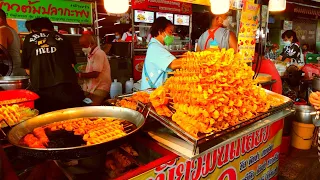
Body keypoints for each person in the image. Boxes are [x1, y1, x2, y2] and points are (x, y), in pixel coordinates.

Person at [21, 18, 84, 114]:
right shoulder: (64, 39)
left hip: (42, 89)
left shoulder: (29, 39)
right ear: (51, 28)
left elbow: (27, 69)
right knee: (71, 120)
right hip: (67, 88)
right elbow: (71, 65)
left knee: (48, 122)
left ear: (34, 30)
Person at [141, 17, 181, 90]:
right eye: (170, 32)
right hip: (151, 94)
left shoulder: (157, 46)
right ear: (160, 31)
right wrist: (195, 60)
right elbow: (173, 64)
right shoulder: (155, 48)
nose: (171, 36)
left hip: (156, 91)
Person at [79, 34, 111, 106]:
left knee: (92, 107)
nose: (82, 48)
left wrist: (80, 75)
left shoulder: (98, 54)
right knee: (84, 104)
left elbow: (95, 74)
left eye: (84, 45)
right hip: (92, 87)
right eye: (81, 45)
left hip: (101, 87)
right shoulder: (90, 54)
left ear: (92, 44)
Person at [0, 9, 26, 76]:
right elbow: (24, 48)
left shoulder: (2, 30)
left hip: (10, 72)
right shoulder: (13, 31)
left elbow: (1, 53)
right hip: (19, 69)